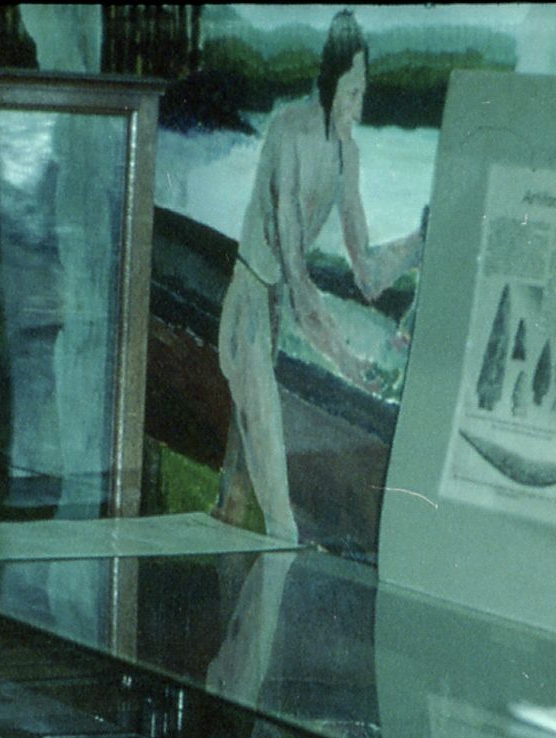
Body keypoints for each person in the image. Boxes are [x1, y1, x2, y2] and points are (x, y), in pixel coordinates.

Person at [216, 10, 425, 541]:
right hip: (249, 304)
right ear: (331, 84)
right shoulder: (289, 132)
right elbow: (295, 274)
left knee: (239, 484)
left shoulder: (347, 154)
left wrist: (420, 242)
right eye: (352, 92)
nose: (360, 105)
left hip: (278, 306)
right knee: (279, 513)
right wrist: (347, 361)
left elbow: (368, 274)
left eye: (363, 92)